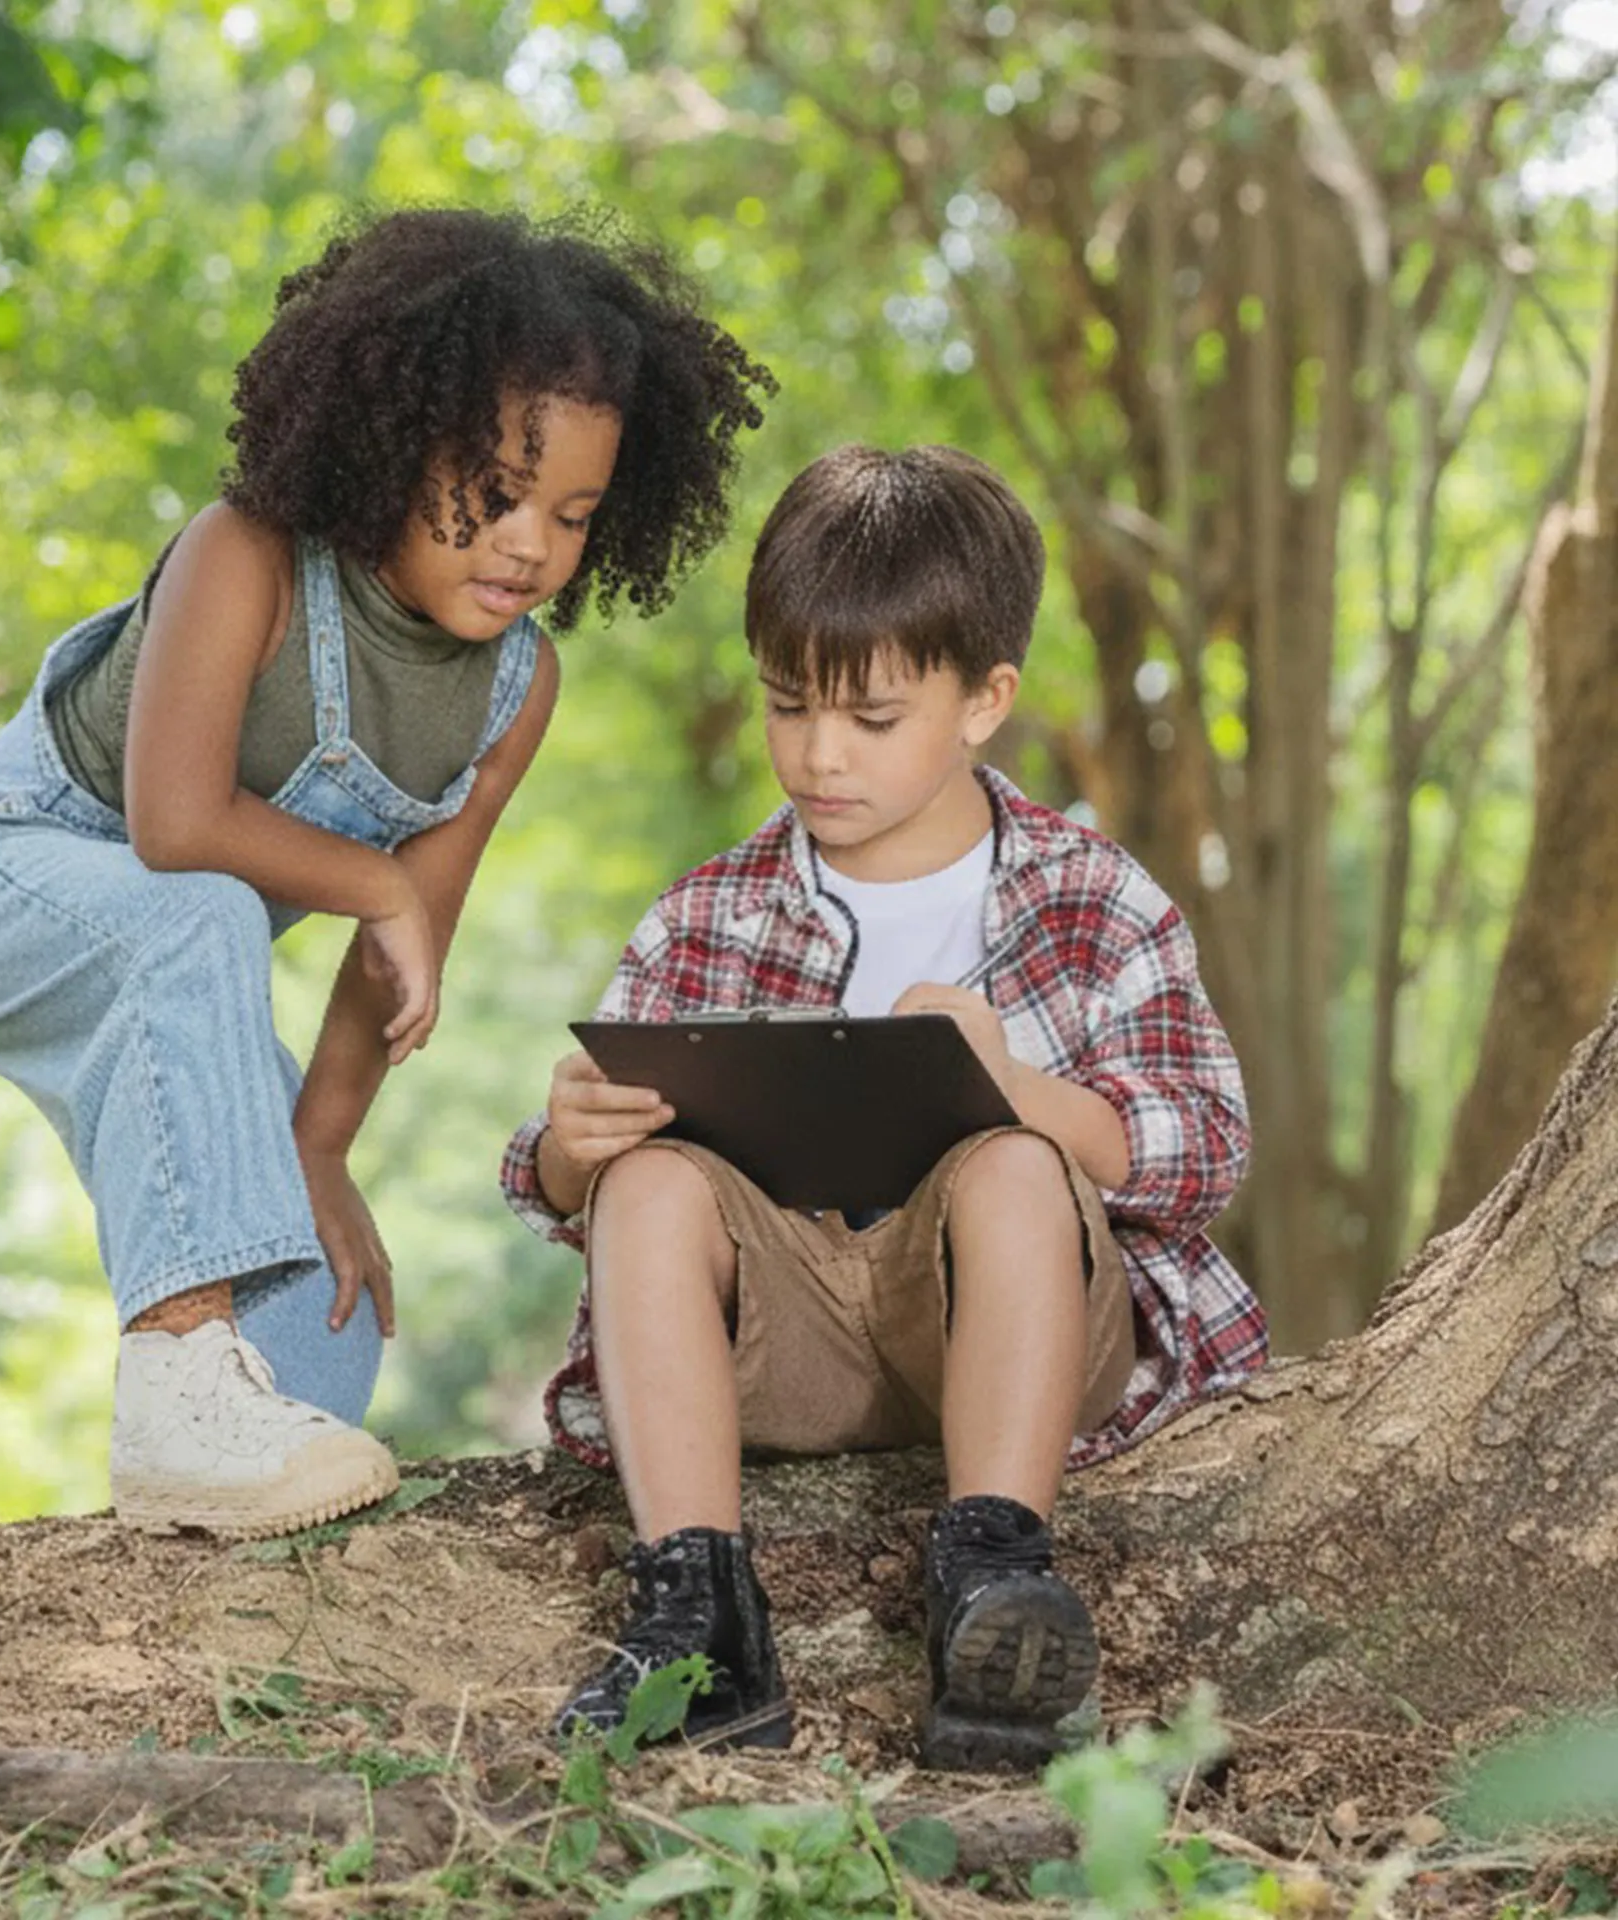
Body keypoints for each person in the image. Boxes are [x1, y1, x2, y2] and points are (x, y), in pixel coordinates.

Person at [0, 206, 774, 1540]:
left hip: (165, 962)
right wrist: (379, 884)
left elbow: (396, 964)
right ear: (388, 443)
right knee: (200, 911)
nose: (528, 543)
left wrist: (318, 1152)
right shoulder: (248, 559)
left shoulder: (515, 690)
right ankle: (180, 1383)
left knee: (325, 1328)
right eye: (493, 490)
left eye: (573, 515)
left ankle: (199, 1480)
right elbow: (176, 824)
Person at [499, 443, 1268, 1770]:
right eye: (788, 705)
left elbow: (1204, 1152)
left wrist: (1016, 1091)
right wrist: (573, 1152)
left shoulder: (1092, 897)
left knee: (1014, 1164)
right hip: (786, 1340)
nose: (816, 755)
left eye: (869, 720)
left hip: (1011, 1331)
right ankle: (700, 1620)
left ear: (984, 702)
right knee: (650, 1180)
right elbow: (571, 1189)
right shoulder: (711, 910)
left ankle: (992, 1586)